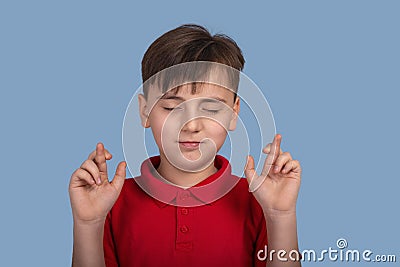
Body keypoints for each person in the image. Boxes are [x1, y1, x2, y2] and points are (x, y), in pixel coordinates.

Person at [69, 24, 302, 267]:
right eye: (172, 107)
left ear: (233, 114)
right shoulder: (110, 203)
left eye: (211, 108)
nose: (191, 125)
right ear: (145, 110)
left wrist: (280, 216)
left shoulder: (260, 200)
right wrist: (88, 224)